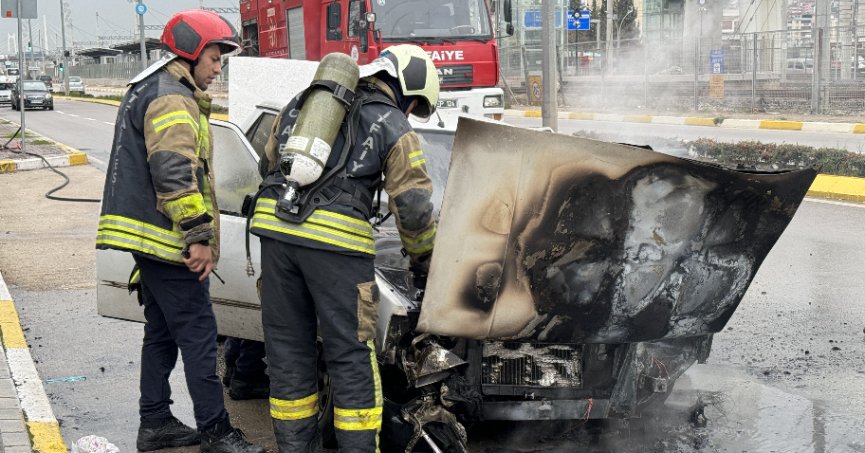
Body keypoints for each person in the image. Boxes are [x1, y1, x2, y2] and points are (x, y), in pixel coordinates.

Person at [248, 44, 440, 452]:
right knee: (352, 357)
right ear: (409, 88)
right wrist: (426, 261)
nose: (410, 112)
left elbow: (269, 167)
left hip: (276, 236)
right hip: (337, 248)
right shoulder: (393, 124)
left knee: (288, 354)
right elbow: (413, 206)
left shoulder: (303, 103)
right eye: (414, 104)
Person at [95, 9, 264, 453]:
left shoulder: (148, 86)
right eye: (213, 58)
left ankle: (154, 423)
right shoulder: (171, 97)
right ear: (190, 53)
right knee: (198, 333)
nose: (217, 67)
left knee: (163, 332)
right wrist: (198, 237)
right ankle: (216, 430)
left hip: (149, 240)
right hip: (168, 241)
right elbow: (173, 173)